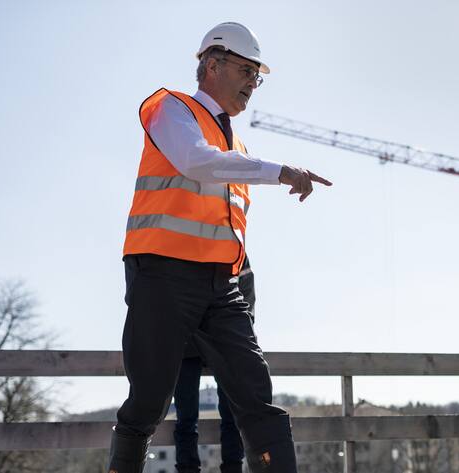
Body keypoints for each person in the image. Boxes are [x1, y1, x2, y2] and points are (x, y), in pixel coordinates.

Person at [108, 22, 331, 473]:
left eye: (257, 76)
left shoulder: (236, 144)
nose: (253, 83)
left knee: (255, 393)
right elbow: (194, 162)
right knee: (149, 401)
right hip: (163, 277)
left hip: (221, 287)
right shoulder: (170, 107)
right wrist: (281, 171)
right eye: (246, 70)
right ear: (212, 64)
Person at [173, 256, 255, 473]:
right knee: (186, 417)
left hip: (223, 337)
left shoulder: (234, 245)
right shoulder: (183, 245)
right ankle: (188, 468)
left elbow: (246, 287)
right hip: (187, 338)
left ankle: (232, 467)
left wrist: (242, 328)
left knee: (231, 412)